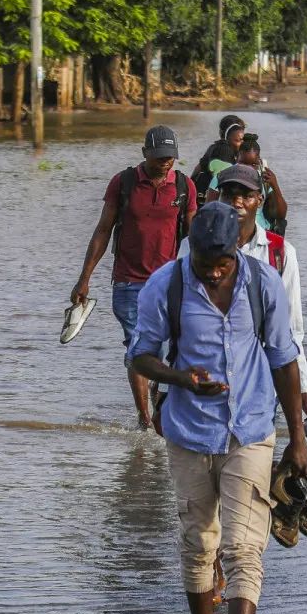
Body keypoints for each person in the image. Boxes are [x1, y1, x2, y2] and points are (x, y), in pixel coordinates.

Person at [130, 202, 307, 614]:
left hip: (250, 430)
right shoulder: (165, 285)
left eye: (223, 263)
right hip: (189, 433)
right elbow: (140, 355)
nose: (213, 272)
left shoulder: (262, 283)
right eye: (204, 263)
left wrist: (297, 438)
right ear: (190, 249)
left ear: (238, 249)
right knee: (199, 543)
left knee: (243, 549)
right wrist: (180, 378)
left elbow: (284, 359)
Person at [71, 125, 197, 429]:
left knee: (166, 350)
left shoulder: (184, 187)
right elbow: (103, 230)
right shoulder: (123, 183)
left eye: (170, 157)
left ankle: (158, 401)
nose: (165, 162)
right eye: (159, 156)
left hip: (169, 283)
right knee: (139, 348)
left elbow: (194, 237)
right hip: (128, 283)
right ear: (144, 153)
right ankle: (144, 420)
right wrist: (84, 278)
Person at [210, 163, 307, 427]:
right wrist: (166, 390)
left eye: (246, 195)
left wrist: (303, 390)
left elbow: (292, 329)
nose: (237, 203)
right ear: (219, 199)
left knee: (256, 447)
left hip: (260, 385)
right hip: (206, 381)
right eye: (229, 195)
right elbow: (179, 320)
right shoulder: (195, 248)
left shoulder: (280, 253)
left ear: (260, 201)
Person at [233, 132, 287, 234]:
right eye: (243, 163)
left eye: (253, 164)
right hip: (232, 233)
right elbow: (211, 209)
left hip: (261, 234)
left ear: (259, 161)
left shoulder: (265, 180)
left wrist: (275, 186)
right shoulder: (224, 177)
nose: (248, 169)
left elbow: (281, 215)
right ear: (237, 158)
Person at [192, 115, 245, 200]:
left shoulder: (215, 147)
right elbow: (221, 184)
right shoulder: (224, 150)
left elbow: (197, 169)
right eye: (239, 139)